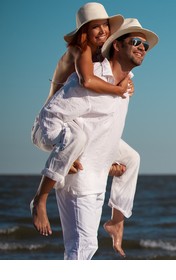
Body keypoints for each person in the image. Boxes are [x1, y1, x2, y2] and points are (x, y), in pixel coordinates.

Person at [35, 18, 158, 260]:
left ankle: (117, 222)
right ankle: (40, 199)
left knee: (132, 159)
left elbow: (103, 130)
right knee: (83, 248)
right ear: (116, 46)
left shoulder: (125, 84)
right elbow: (49, 117)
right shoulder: (91, 80)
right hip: (80, 181)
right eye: (135, 42)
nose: (142, 48)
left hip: (97, 177)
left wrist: (106, 160)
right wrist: (63, 154)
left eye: (145, 45)